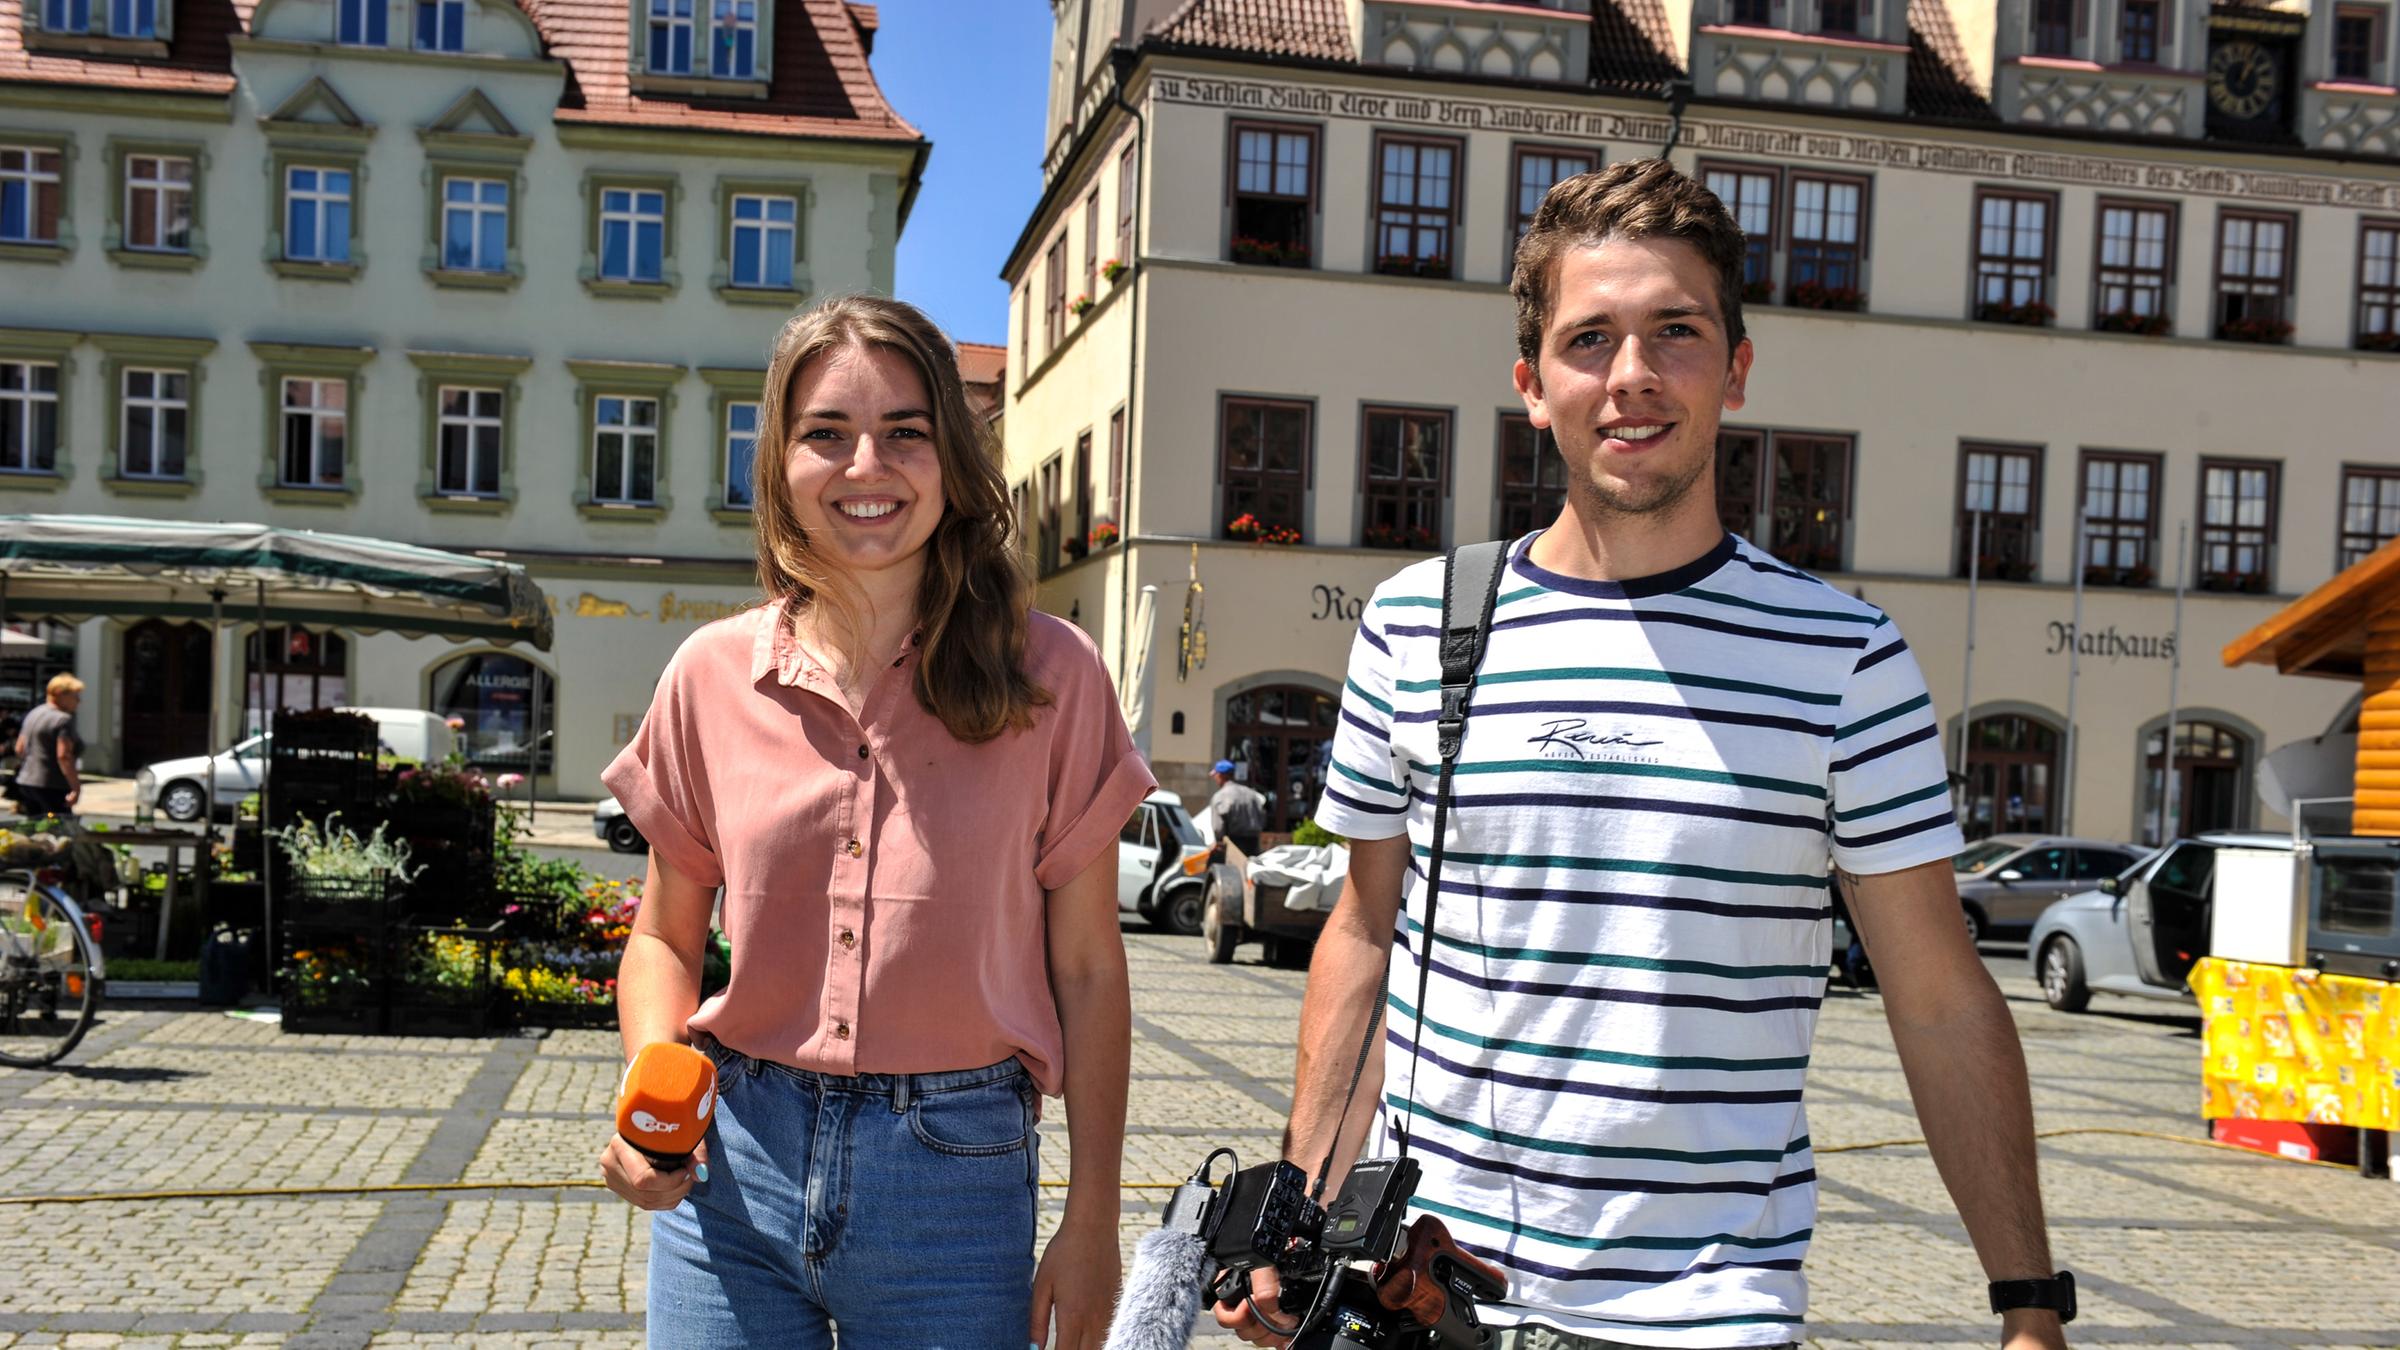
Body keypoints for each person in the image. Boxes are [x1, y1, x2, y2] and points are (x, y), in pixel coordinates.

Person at [1222, 160, 2069, 1350]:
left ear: (1735, 367)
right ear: (1532, 385)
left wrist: (2029, 1301)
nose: (1632, 377)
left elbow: (1935, 998)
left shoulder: (1846, 658)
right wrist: (1299, 1216)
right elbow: (1365, 936)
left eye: (1675, 331)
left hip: (1706, 1317)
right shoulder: (1420, 625)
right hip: (1425, 1292)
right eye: (1589, 340)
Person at [597, 296, 1154, 1350]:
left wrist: (1093, 1219)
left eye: (906, 431)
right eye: (826, 435)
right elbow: (666, 937)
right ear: (781, 464)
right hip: (733, 1162)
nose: (867, 466)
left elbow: (1086, 968)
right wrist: (647, 1089)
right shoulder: (711, 676)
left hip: (957, 1178)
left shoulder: (1053, 677)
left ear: (953, 456)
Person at [13, 673, 84, 821]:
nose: (78, 701)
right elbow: (64, 756)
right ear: (60, 695)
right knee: (58, 830)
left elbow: (19, 749)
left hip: (27, 782)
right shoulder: (62, 720)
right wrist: (76, 787)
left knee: (35, 828)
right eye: (75, 696)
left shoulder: (33, 714)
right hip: (52, 785)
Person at [1209, 759, 1267, 857]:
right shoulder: (1251, 794)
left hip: (1233, 843)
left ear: (1221, 775)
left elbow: (1218, 827)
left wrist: (1219, 842)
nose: (1215, 778)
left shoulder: (1220, 796)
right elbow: (1262, 817)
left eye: (1215, 775)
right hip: (1253, 844)